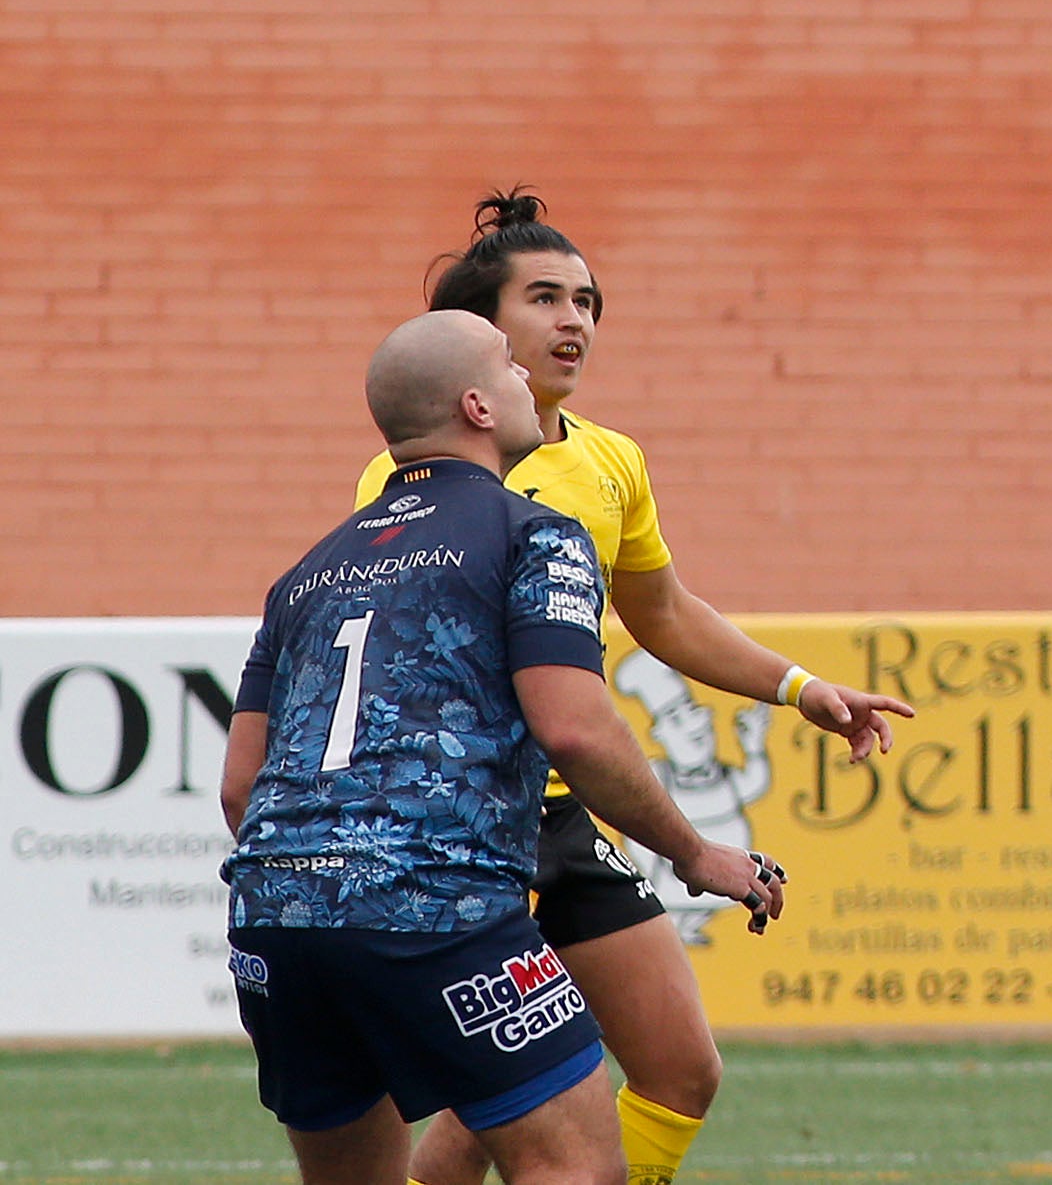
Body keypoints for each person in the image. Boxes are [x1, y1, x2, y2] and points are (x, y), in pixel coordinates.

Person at [351, 197, 909, 1185]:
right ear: (483, 332)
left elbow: (663, 610)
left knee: (678, 1069)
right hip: (473, 826)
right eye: (547, 297)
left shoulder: (611, 461)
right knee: (516, 1094)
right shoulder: (419, 474)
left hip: (566, 820)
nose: (576, 320)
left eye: (589, 300)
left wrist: (798, 686)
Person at [221, 314, 783, 1185]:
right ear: (479, 404)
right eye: (510, 367)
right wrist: (695, 852)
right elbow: (573, 725)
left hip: (274, 916)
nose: (530, 377)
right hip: (434, 901)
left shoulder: (305, 573)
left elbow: (240, 789)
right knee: (576, 1164)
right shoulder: (534, 533)